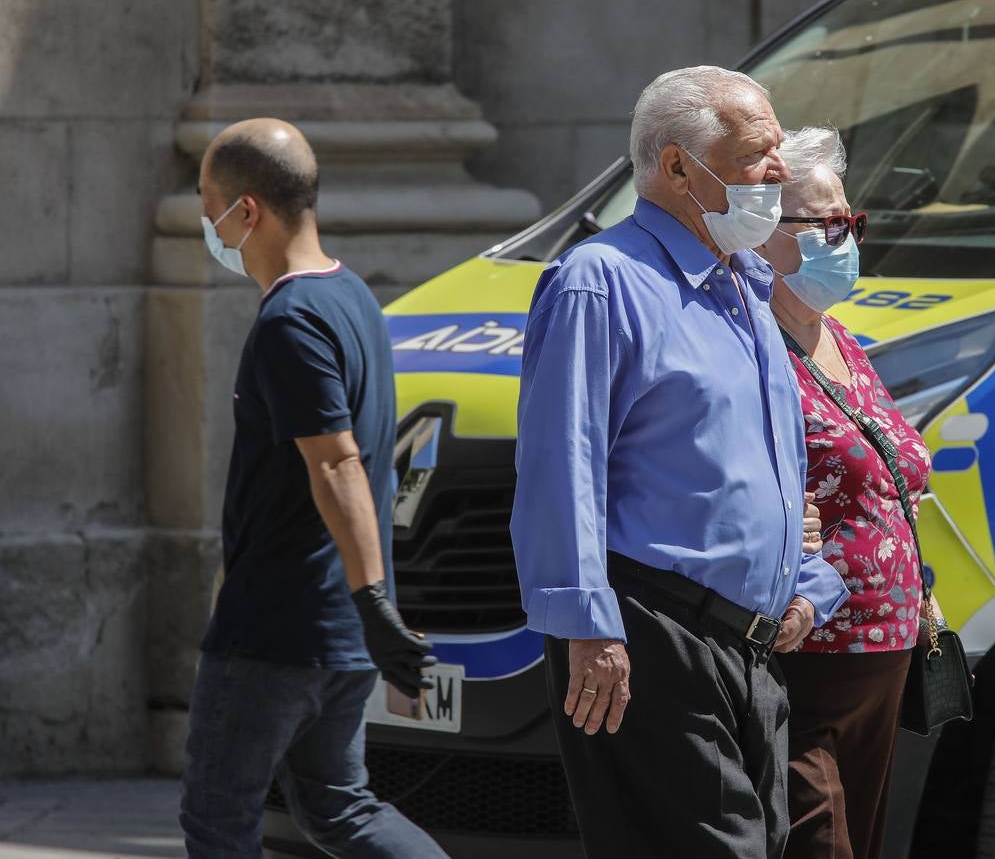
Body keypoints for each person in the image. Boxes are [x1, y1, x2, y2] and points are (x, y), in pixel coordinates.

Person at [510, 67, 850, 859]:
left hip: (750, 648)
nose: (778, 170)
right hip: (651, 636)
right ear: (675, 168)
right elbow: (564, 466)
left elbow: (766, 463)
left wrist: (803, 588)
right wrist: (589, 630)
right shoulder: (602, 282)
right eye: (757, 152)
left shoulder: (746, 285)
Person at [179, 118, 446, 859]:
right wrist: (370, 610)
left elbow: (337, 464)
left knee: (217, 818)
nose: (206, 220)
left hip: (276, 628)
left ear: (247, 211)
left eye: (207, 203)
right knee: (339, 808)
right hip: (336, 631)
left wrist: (375, 603)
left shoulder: (290, 319)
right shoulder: (352, 296)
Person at [756, 126, 935, 859]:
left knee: (862, 840)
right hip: (809, 652)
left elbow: (887, 479)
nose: (844, 237)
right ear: (759, 233)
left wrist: (919, 583)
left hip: (887, 650)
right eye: (825, 222)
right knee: (817, 840)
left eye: (849, 221)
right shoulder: (751, 345)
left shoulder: (843, 340)